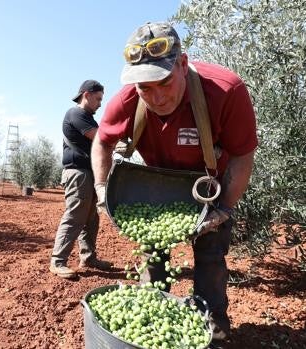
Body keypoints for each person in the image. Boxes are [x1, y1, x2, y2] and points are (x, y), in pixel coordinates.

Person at [91, 22, 258, 341]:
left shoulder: (225, 91)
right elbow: (102, 141)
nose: (155, 96)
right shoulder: (127, 99)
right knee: (154, 255)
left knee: (210, 258)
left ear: (183, 64)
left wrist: (223, 209)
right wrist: (101, 189)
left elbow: (242, 155)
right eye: (145, 88)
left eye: (163, 82)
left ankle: (213, 326)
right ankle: (151, 316)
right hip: (157, 194)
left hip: (208, 190)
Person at [49, 80, 114, 279]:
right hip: (78, 173)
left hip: (89, 173)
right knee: (75, 216)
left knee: (91, 219)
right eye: (98, 99)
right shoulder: (76, 114)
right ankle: (58, 261)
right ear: (86, 94)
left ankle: (88, 257)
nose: (100, 104)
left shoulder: (88, 117)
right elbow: (100, 138)